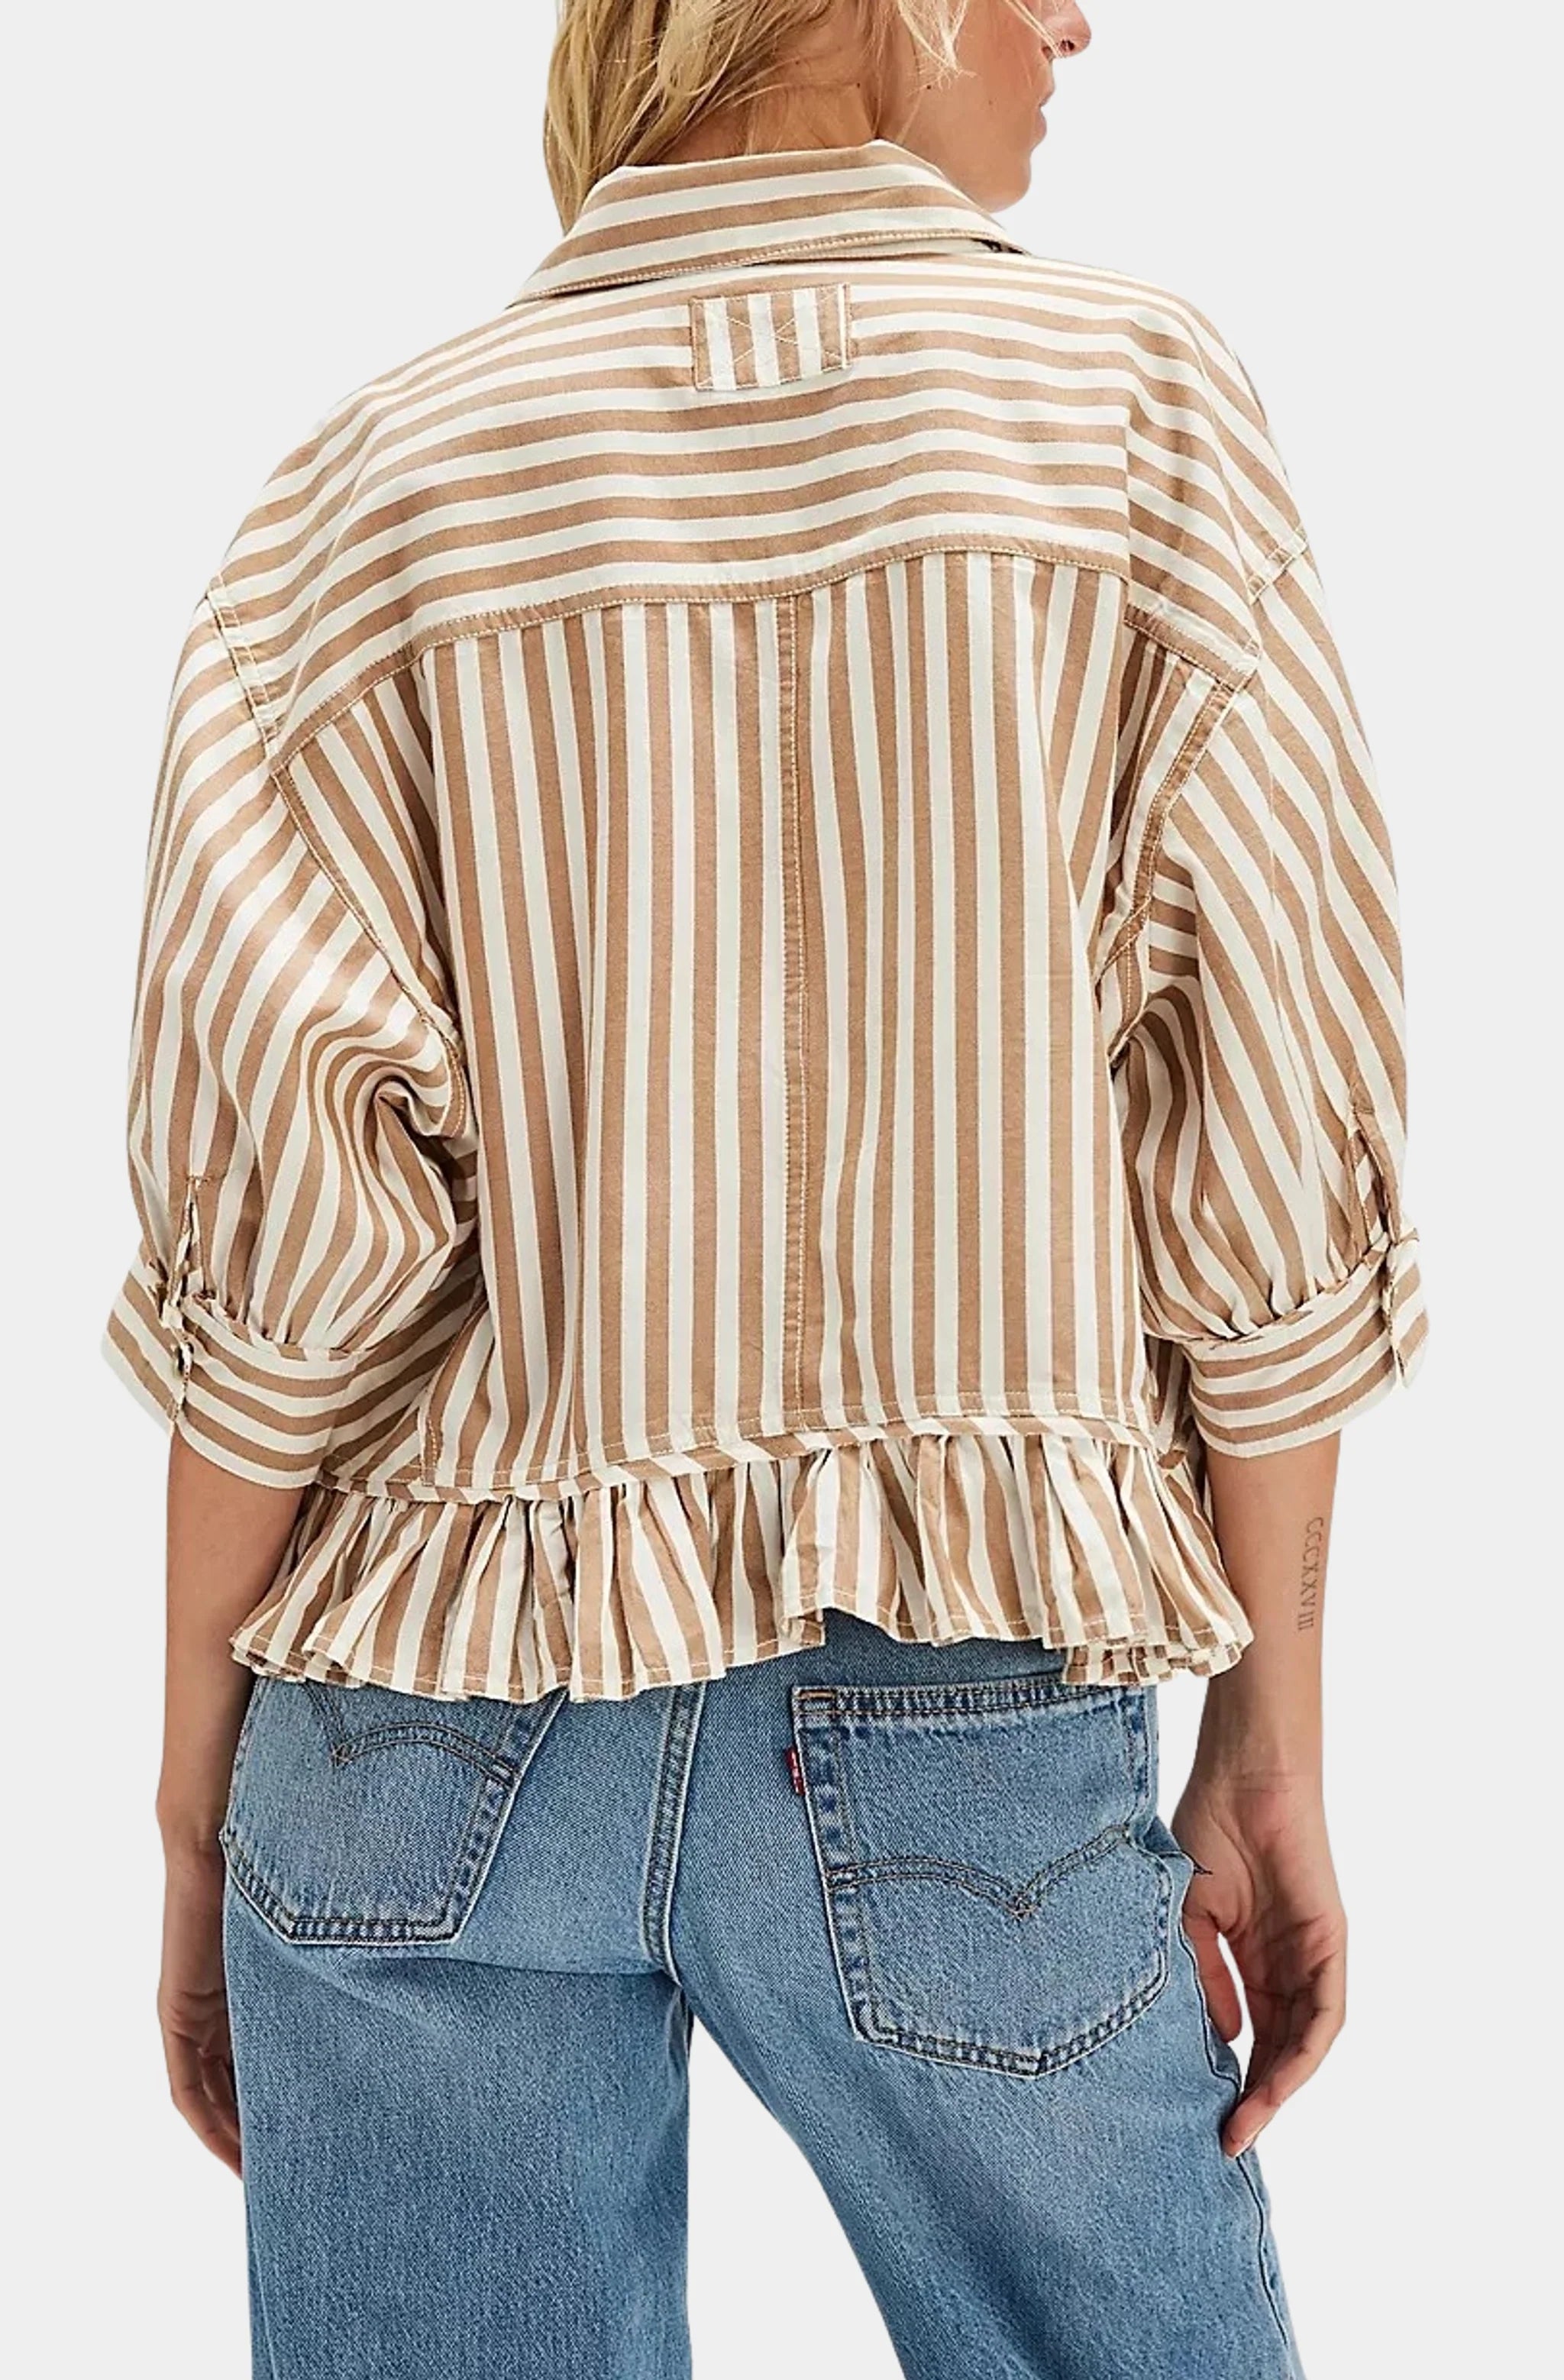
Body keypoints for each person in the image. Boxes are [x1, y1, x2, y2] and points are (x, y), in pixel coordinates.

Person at [108, 3, 1428, 2374]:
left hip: (411, 1732)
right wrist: (1275, 1727)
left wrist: (198, 1811)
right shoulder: (1133, 416)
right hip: (959, 1707)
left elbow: (286, 1271)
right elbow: (1267, 1142)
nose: (1075, 19)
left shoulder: (365, 492)